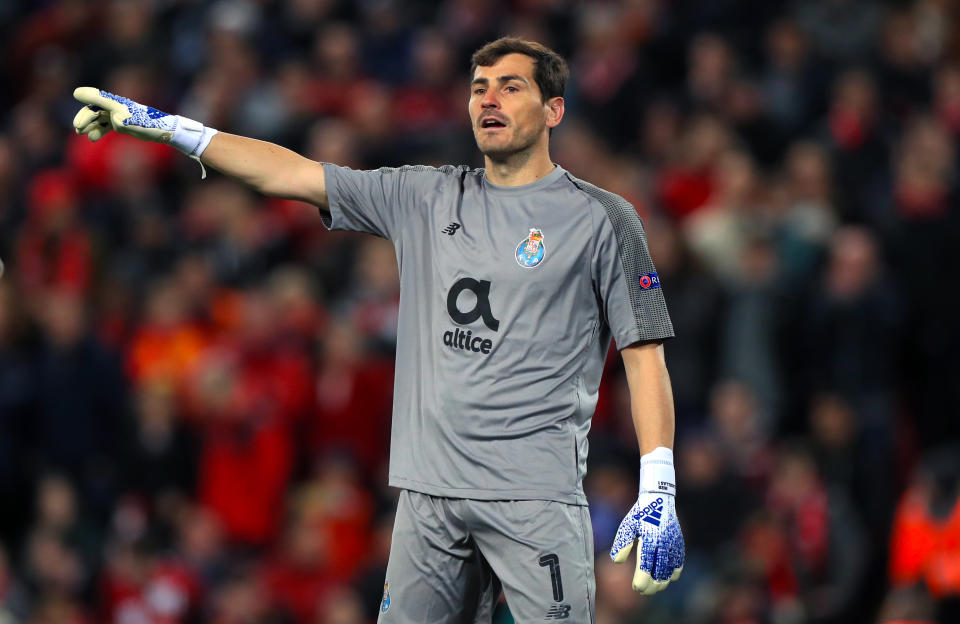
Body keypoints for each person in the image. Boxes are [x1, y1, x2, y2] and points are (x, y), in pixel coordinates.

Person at [72, 37, 684, 623]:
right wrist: (163, 126)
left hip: (535, 498)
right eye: (478, 88)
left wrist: (658, 481)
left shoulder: (603, 219)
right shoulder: (423, 196)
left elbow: (644, 355)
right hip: (428, 501)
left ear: (554, 110)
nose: (488, 100)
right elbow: (292, 175)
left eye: (510, 86)